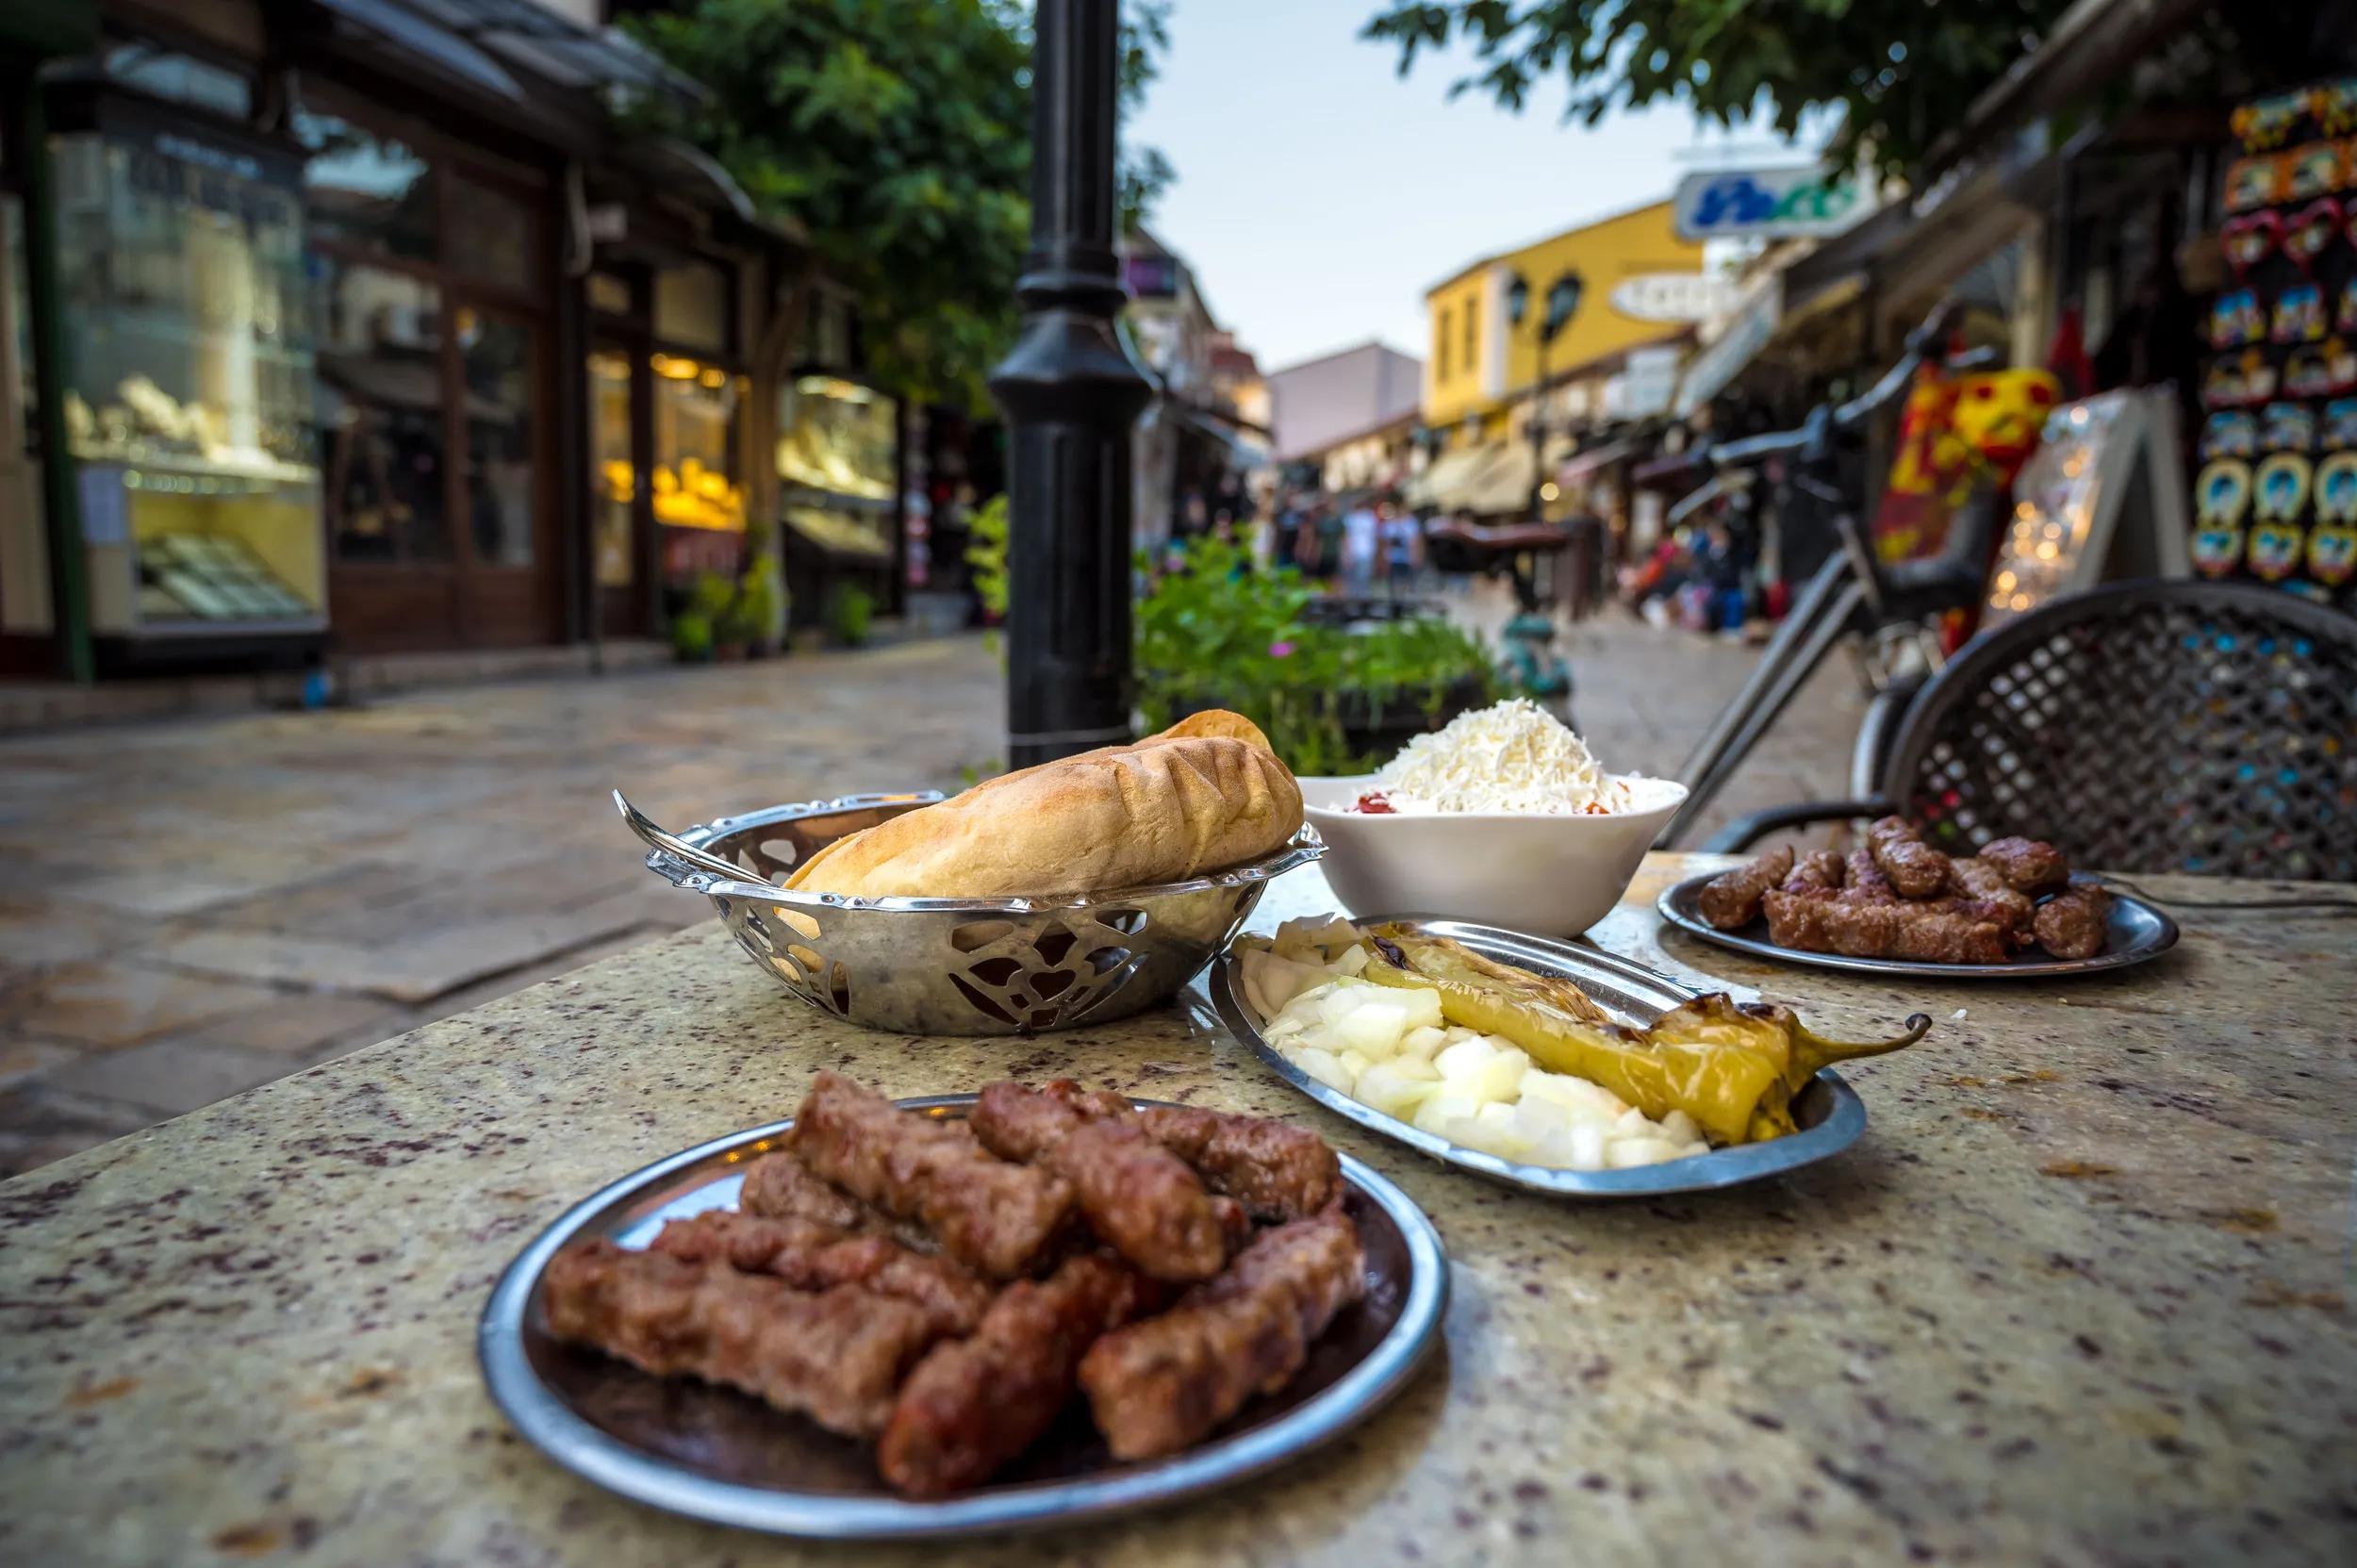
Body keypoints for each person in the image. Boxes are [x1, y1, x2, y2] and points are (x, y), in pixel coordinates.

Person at [1378, 499, 1422, 594]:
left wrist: (1416, 556)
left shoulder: (1411, 523)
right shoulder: (1389, 524)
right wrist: (1383, 559)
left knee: (1408, 583)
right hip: (1393, 559)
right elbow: (1384, 542)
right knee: (1394, 584)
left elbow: (1416, 541)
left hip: (1408, 559)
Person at [1338, 500, 1380, 595]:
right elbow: (1345, 538)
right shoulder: (1349, 518)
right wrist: (1345, 554)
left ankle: (1363, 601)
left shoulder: (1370, 517)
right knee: (1352, 581)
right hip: (1353, 554)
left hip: (1365, 554)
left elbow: (1374, 536)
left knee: (1363, 579)